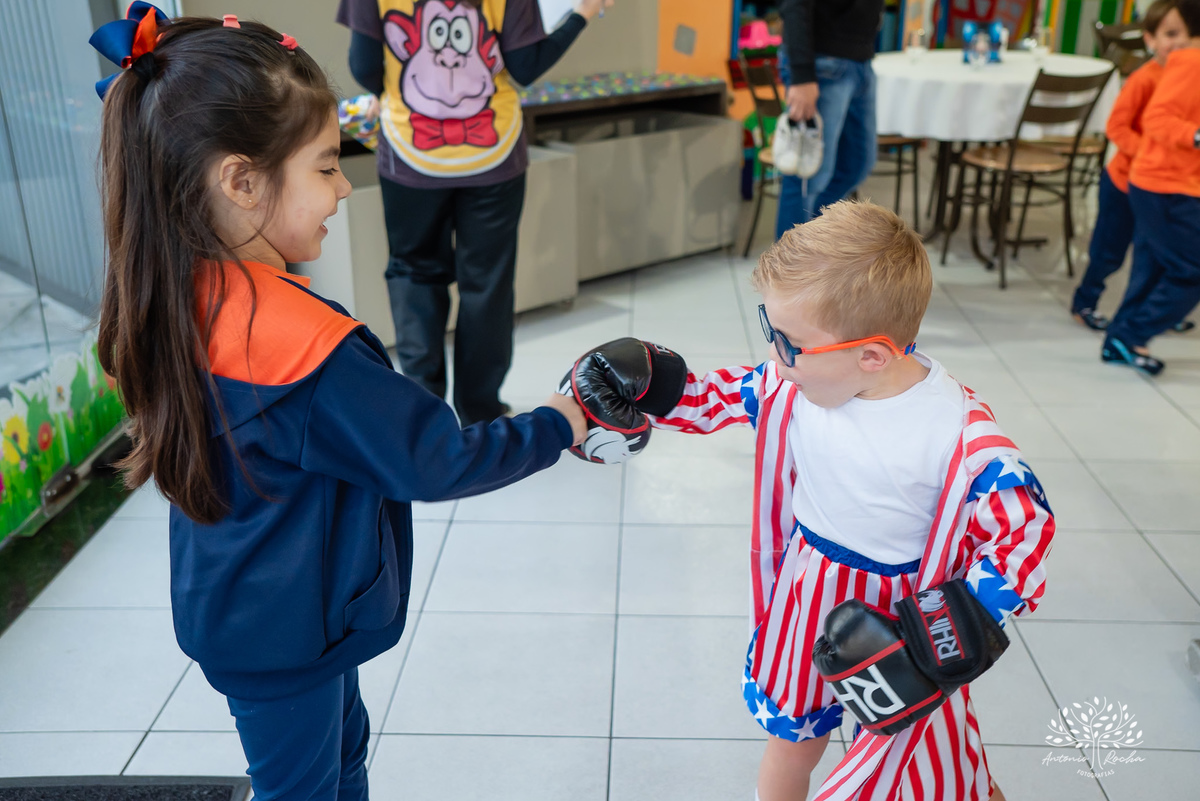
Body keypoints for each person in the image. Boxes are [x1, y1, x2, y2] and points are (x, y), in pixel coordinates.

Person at [90, 7, 586, 800]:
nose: (346, 185)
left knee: (338, 761)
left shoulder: (177, 290)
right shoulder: (299, 346)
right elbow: (438, 458)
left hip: (266, 608)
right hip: (283, 631)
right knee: (304, 788)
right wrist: (564, 420)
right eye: (325, 166)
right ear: (241, 180)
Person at [565, 201, 1055, 801]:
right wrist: (653, 384)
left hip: (907, 615)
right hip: (812, 588)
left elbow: (1023, 532)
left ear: (870, 355)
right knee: (792, 738)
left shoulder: (959, 434)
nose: (775, 357)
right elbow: (718, 397)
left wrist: (946, 631)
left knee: (944, 763)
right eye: (771, 333)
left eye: (790, 343)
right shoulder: (793, 384)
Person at [337, 0, 612, 426]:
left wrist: (390, 91)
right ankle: (480, 411)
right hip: (493, 156)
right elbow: (525, 66)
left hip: (411, 153)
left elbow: (365, 66)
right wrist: (584, 13)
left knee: (414, 272)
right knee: (488, 284)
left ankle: (422, 413)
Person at [1071, 0, 1191, 331]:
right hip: (1125, 183)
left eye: (1187, 34)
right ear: (1149, 39)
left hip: (1161, 190)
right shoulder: (1144, 78)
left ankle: (1146, 313)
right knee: (1109, 251)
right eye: (1170, 34)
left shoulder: (1189, 78)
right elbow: (1117, 128)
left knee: (1151, 258)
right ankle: (1085, 301)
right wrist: (1147, 154)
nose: (1179, 43)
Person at [1102, 0, 1200, 374]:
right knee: (1189, 269)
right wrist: (1194, 135)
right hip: (1162, 184)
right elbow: (1155, 120)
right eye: (1169, 35)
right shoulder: (1184, 63)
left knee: (1153, 267)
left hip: (1166, 182)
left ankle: (1122, 339)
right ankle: (1129, 333)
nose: (1175, 43)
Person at [775, 0, 883, 237]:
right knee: (807, 177)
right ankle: (791, 269)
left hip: (860, 60)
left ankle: (812, 242)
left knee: (857, 164)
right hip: (820, 62)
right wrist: (802, 75)